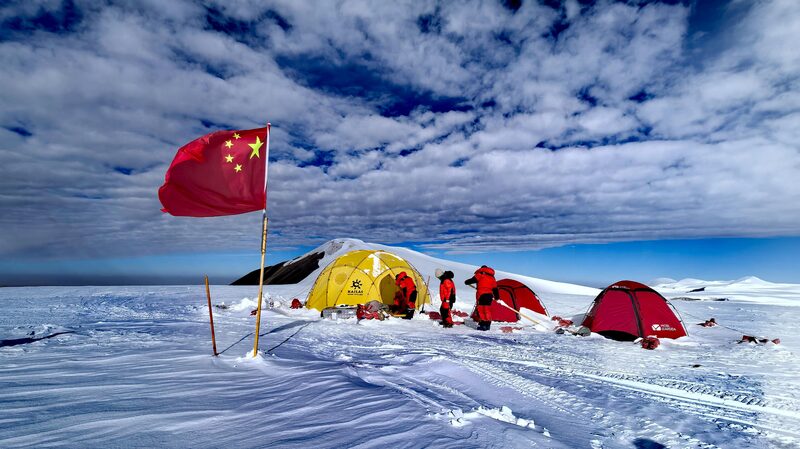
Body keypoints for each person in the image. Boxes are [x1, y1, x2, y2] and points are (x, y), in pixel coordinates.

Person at [464, 265, 499, 331]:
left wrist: (466, 282)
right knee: (487, 310)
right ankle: (487, 325)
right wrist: (497, 297)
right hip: (489, 295)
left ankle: (483, 325)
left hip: (482, 294)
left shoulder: (480, 274)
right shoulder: (492, 277)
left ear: (482, 269)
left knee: (481, 309)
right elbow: (495, 288)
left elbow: (472, 280)